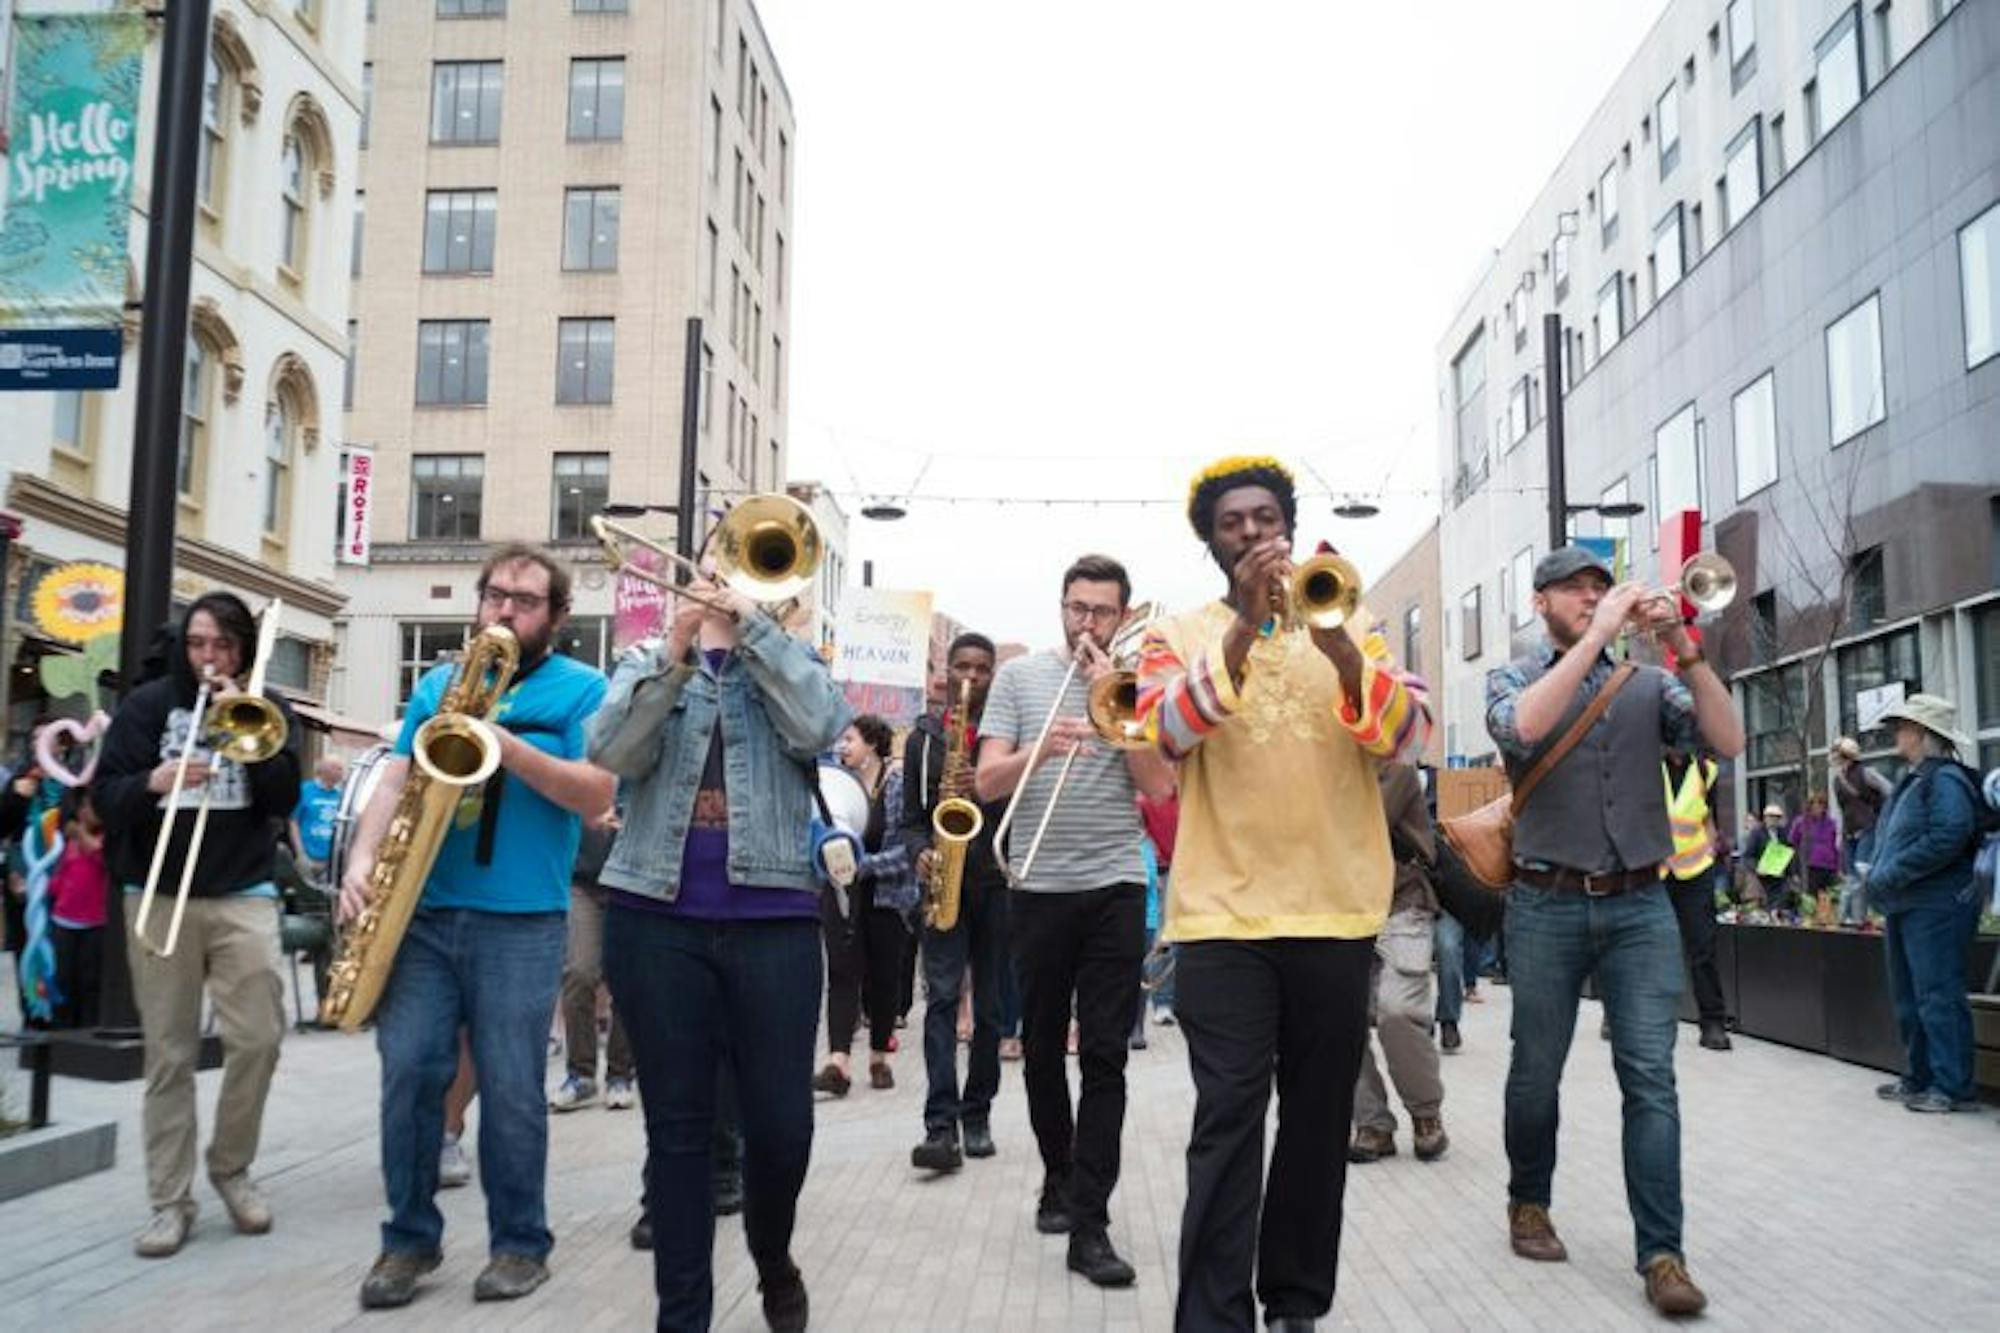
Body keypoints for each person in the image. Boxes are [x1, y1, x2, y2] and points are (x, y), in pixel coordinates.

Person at [1135, 457, 1430, 1330]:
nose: (1254, 533)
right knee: (1226, 1119)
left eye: (1267, 517)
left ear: (1288, 526)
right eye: (1234, 523)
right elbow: (1164, 737)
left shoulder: (1354, 616)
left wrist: (1337, 644)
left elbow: (1403, 734)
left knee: (1315, 1123)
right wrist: (1241, 635)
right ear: (1212, 542)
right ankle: (1211, 1317)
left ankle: (1297, 1302)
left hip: (1336, 909)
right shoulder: (1176, 633)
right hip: (1222, 915)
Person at [338, 545, 613, 1309]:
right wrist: (362, 858)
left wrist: (506, 744)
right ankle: (408, 1239)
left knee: (515, 1087)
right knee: (410, 1077)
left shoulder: (585, 689)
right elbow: (396, 776)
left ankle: (521, 1243)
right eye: (495, 594)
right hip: (423, 913)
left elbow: (596, 793)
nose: (504, 610)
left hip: (521, 919)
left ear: (557, 617)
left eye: (525, 600)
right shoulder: (437, 683)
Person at [589, 556, 848, 1333]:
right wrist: (675, 646)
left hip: (773, 917)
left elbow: (821, 725)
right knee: (678, 1131)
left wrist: (756, 633)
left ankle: (773, 1256)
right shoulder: (645, 660)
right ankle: (683, 1317)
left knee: (781, 1127)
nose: (715, 583)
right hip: (653, 915)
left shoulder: (788, 661)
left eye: (732, 573)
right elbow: (612, 752)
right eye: (707, 568)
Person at [1485, 545, 1744, 1318]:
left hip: (1641, 904)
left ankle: (1662, 1252)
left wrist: (1684, 647)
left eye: (1602, 587)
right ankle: (1528, 1200)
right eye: (1576, 589)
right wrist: (1598, 634)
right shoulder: (1514, 675)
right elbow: (1524, 730)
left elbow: (1727, 741)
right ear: (1542, 603)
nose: (1594, 596)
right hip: (1543, 902)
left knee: (1651, 1078)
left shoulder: (1652, 683)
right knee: (1536, 1069)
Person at [977, 553, 1175, 1289]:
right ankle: (1059, 1175)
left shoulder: (1134, 689)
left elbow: (1160, 786)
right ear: (1060, 606)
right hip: (1036, 882)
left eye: (1100, 611)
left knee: (1104, 1055)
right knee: (1037, 1051)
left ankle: (1090, 1220)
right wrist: (1040, 748)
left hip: (1117, 885)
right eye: (1076, 607)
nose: (1086, 622)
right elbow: (988, 778)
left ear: (1123, 616)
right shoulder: (1020, 678)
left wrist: (1115, 709)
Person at [91, 593, 303, 1258]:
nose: (211, 659)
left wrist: (251, 733)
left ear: (243, 649)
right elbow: (104, 800)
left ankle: (231, 1166)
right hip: (157, 893)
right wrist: (155, 778)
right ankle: (169, 1200)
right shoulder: (148, 706)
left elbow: (283, 797)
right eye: (199, 644)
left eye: (224, 646)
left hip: (244, 889)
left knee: (260, 1038)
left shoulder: (265, 706)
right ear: (183, 646)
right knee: (170, 1054)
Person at [904, 632, 1011, 1172]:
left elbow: (1020, 808)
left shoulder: (1005, 734)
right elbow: (909, 819)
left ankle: (978, 1112)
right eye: (961, 667)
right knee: (942, 1001)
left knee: (991, 1008)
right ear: (944, 674)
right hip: (944, 878)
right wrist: (920, 850)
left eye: (981, 668)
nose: (970, 677)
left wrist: (988, 787)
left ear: (994, 675)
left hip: (994, 880)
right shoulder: (923, 739)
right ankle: (939, 1123)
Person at [1862, 695, 1986, 1114]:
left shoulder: (1944, 778)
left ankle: (1952, 1087)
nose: (1897, 733)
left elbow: (1949, 835)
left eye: (1902, 726)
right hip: (1909, 903)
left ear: (1920, 733)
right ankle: (1918, 1078)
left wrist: (1891, 872)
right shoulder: (1917, 779)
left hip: (1935, 905)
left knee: (1937, 994)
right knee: (1910, 995)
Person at [1348, 761, 1450, 1168]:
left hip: (1402, 901)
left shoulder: (1394, 764)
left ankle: (1426, 1113)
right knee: (1339, 1020)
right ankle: (1372, 1122)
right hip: (1338, 909)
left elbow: (1356, 822)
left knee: (1398, 1011)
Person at [815, 714, 917, 1096]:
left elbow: (906, 848)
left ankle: (879, 1057)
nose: (843, 747)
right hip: (841, 893)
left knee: (883, 978)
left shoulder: (895, 784)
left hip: (885, 896)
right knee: (842, 972)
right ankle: (837, 1062)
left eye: (851, 739)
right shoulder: (834, 784)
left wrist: (863, 866)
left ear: (873, 744)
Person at [550, 813, 636, 1112]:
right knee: (579, 973)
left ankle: (621, 1074)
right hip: (581, 882)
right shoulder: (580, 762)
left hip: (631, 881)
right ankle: (581, 1074)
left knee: (627, 981)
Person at [1662, 750, 1732, 1051]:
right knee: (1639, 948)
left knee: (1703, 948)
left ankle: (1713, 1022)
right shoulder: (1646, 767)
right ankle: (1620, 1017)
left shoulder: (1707, 772)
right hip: (1654, 870)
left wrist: (1715, 850)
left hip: (1696, 870)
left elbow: (1708, 818)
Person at [48, 791, 107, 1030]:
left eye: (90, 807)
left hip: (95, 922)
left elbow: (102, 857)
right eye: (82, 808)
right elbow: (60, 877)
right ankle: (63, 1025)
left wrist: (82, 835)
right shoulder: (69, 843)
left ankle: (89, 1025)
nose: (85, 813)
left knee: (90, 978)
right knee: (64, 976)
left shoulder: (105, 838)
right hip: (65, 919)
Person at [1831, 737, 1892, 923]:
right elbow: (1844, 810)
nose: (1833, 757)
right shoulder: (1837, 780)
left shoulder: (1866, 773)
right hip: (1849, 831)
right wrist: (1841, 835)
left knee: (1861, 874)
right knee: (1850, 877)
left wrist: (1882, 818)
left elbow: (1890, 791)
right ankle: (1846, 918)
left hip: (1867, 828)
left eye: (1836, 752)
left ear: (1845, 755)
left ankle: (1857, 918)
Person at [290, 756, 345, 885]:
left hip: (332, 860)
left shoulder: (342, 795)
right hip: (308, 857)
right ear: (323, 770)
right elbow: (293, 822)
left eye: (341, 768)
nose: (342, 772)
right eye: (337, 768)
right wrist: (300, 852)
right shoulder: (305, 790)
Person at [1789, 792, 1842, 918]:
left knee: (1829, 897)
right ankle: (1811, 919)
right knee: (1811, 898)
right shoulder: (1801, 822)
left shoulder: (1831, 823)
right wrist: (1794, 869)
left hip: (1829, 865)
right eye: (1814, 804)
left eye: (1821, 805)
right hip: (1811, 865)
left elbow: (1835, 845)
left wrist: (1838, 866)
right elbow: (1792, 843)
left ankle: (1827, 919)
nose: (1818, 808)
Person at [1743, 804, 1795, 911]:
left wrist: (1791, 873)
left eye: (1776, 817)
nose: (1773, 820)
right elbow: (1748, 856)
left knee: (1780, 902)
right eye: (1770, 817)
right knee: (1766, 903)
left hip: (1780, 875)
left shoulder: (1783, 833)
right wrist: (1758, 868)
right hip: (1763, 877)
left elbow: (1788, 852)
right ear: (1765, 818)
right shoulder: (1756, 833)